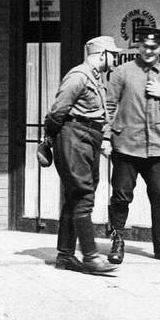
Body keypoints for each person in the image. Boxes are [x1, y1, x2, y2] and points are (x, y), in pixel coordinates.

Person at [105, 27, 160, 266]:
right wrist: (106, 138)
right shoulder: (122, 72)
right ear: (137, 46)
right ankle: (117, 243)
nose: (149, 51)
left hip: (158, 148)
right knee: (120, 198)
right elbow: (109, 106)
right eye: (144, 46)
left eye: (154, 47)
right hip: (127, 147)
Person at [44, 35, 120, 274]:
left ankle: (65, 256)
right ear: (101, 55)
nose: (116, 58)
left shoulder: (96, 78)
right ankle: (90, 256)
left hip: (87, 139)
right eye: (113, 54)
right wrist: (49, 139)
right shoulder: (78, 76)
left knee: (76, 196)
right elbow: (58, 111)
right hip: (74, 136)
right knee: (83, 195)